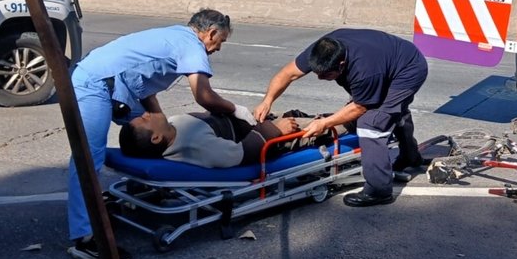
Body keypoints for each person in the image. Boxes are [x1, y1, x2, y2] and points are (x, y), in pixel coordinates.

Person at [66, 8, 254, 259]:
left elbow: (146, 91)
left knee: (154, 134)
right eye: (220, 41)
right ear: (211, 33)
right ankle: (85, 238)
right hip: (96, 84)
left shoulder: (174, 35)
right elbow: (204, 96)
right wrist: (236, 110)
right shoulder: (192, 46)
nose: (218, 48)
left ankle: (145, 186)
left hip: (113, 85)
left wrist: (163, 124)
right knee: (87, 158)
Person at [253, 28, 429, 207]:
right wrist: (267, 101)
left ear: (342, 64)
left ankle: (379, 190)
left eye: (327, 74)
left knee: (371, 123)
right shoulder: (322, 49)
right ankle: (410, 156)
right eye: (316, 73)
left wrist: (324, 123)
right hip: (384, 59)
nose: (320, 78)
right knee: (389, 111)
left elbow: (360, 107)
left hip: (408, 69)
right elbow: (287, 74)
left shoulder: (365, 71)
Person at [118, 109, 353, 168]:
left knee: (296, 114)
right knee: (319, 126)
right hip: (266, 137)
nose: (146, 114)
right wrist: (275, 130)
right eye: (144, 120)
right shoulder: (195, 147)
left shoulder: (171, 127)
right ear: (156, 138)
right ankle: (356, 119)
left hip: (252, 122)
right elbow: (241, 154)